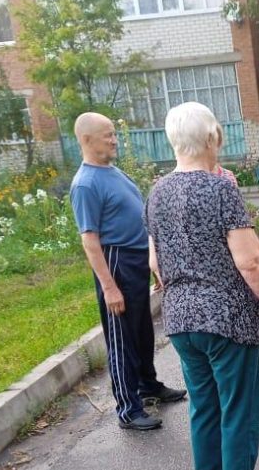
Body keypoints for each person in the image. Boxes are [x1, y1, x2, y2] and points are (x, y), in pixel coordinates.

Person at [145, 102, 259, 470]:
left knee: (204, 405)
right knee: (239, 406)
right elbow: (249, 263)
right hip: (226, 320)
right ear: (211, 138)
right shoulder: (220, 189)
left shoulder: (157, 191)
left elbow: (154, 261)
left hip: (181, 320)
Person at [70, 112, 186, 431]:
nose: (114, 139)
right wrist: (109, 287)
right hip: (116, 261)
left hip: (135, 259)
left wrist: (151, 262)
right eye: (107, 135)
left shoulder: (112, 172)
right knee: (121, 337)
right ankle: (127, 409)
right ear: (87, 140)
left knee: (143, 329)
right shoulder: (85, 183)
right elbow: (90, 241)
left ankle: (148, 384)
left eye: (113, 133)